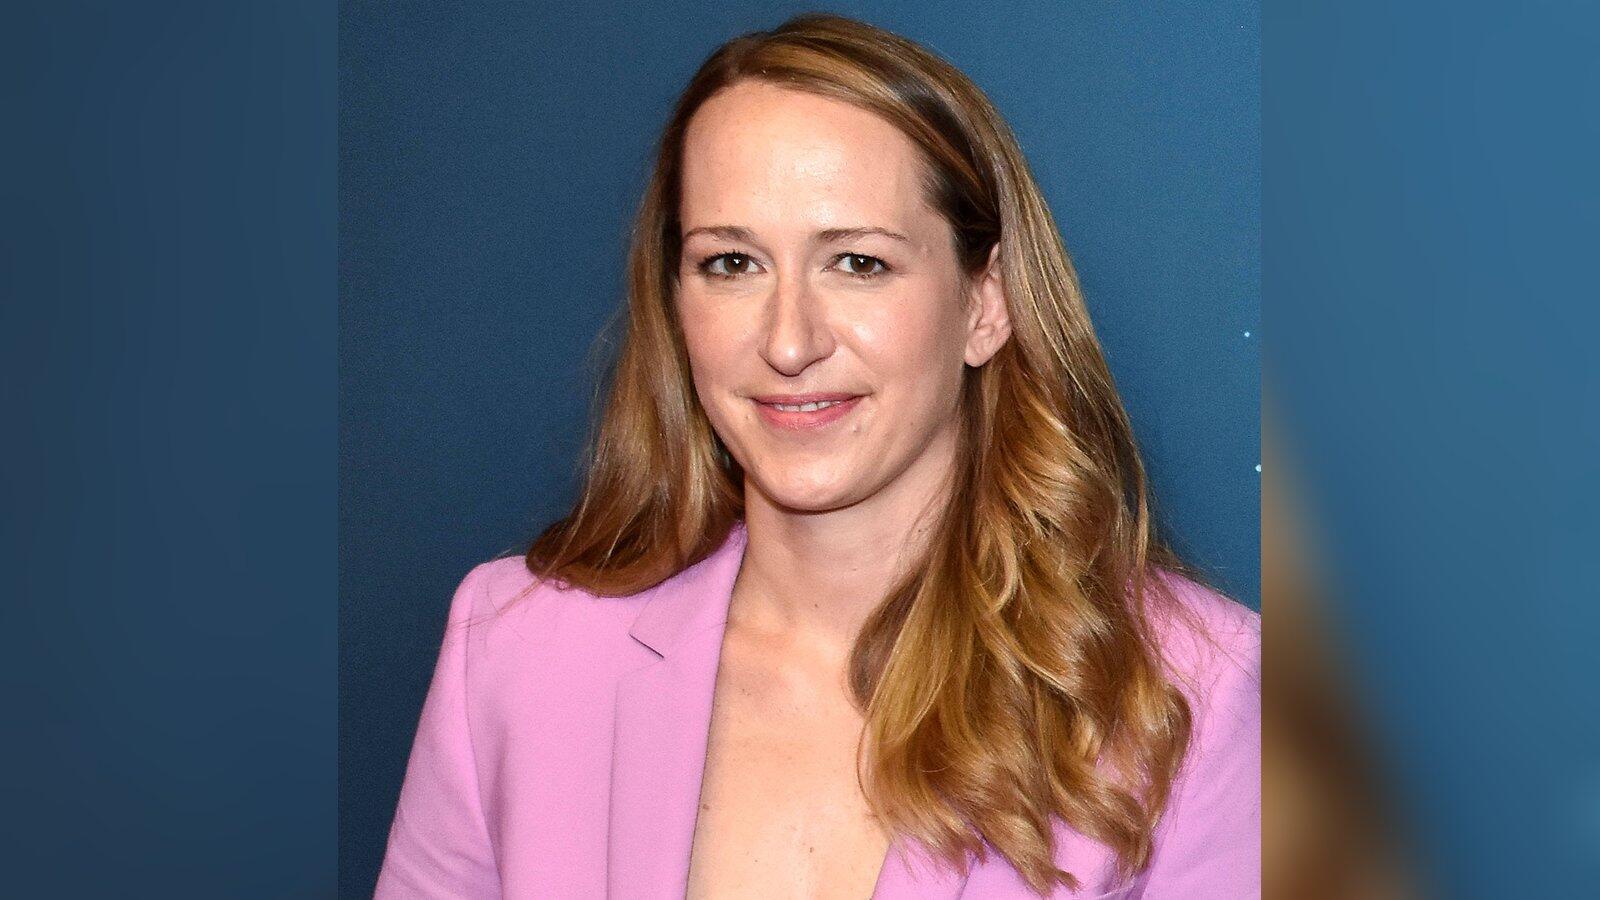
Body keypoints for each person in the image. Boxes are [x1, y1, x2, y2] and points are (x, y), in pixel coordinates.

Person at [374, 12, 1259, 899]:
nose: (788, 343)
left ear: (985, 303)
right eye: (731, 263)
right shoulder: (513, 649)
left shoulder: (1193, 696)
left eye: (858, 263)